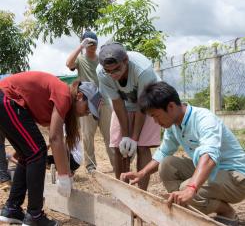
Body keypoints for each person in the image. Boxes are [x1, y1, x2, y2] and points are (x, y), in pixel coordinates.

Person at [121, 81, 245, 226]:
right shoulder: (174, 125)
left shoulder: (204, 119)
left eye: (156, 116)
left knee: (186, 189)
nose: (155, 122)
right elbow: (163, 152)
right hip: (214, 172)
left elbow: (209, 156)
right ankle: (186, 207)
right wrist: (142, 173)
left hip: (236, 178)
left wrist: (192, 188)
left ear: (171, 106)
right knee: (167, 165)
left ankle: (226, 212)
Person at [0, 71, 102, 226]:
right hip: (8, 98)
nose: (87, 113)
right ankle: (34, 215)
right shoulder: (64, 94)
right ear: (80, 96)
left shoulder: (64, 98)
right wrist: (63, 177)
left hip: (7, 100)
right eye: (88, 108)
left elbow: (56, 137)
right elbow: (55, 138)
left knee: (28, 155)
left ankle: (12, 209)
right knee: (37, 152)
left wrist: (65, 171)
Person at [97, 42, 161, 190]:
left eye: (117, 69)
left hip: (148, 102)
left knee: (142, 147)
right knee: (120, 147)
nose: (114, 75)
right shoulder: (101, 73)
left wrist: (134, 138)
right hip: (123, 105)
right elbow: (117, 103)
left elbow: (142, 106)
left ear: (126, 60)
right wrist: (126, 136)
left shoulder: (143, 71)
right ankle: (123, 192)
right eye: (109, 71)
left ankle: (141, 193)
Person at [66, 30, 114, 173]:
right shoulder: (80, 60)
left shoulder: (101, 60)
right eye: (89, 43)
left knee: (109, 135)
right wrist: (80, 47)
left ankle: (115, 164)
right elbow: (68, 63)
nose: (92, 45)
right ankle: (91, 166)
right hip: (86, 102)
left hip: (103, 100)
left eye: (94, 43)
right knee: (88, 136)